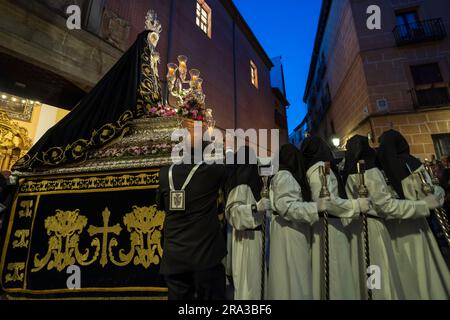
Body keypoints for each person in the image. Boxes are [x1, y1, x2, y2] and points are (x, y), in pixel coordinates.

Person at [343, 135, 440, 299]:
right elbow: (385, 205)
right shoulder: (370, 171)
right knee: (379, 274)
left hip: (358, 230)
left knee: (368, 275)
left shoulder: (348, 172)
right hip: (374, 229)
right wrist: (423, 205)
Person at [378, 129, 450, 299]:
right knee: (425, 270)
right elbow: (429, 193)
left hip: (394, 230)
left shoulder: (379, 170)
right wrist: (439, 191)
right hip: (418, 226)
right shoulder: (410, 163)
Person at [300, 136, 369, 300]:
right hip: (330, 228)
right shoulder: (321, 168)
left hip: (329, 225)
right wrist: (356, 205)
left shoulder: (314, 168)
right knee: (336, 276)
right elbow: (326, 201)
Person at [157, 143, 227, 300]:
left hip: (174, 256)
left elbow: (160, 205)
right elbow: (226, 165)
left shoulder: (164, 173)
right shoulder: (211, 171)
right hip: (205, 256)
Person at [268, 144, 321, 300]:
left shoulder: (281, 174)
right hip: (291, 233)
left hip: (288, 231)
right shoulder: (285, 175)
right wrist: (316, 208)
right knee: (296, 278)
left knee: (289, 277)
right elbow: (287, 206)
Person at [225, 146, 270, 300]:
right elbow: (233, 214)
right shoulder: (240, 185)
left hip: (257, 238)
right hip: (246, 241)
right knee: (249, 287)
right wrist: (255, 207)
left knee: (258, 284)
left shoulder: (252, 182)